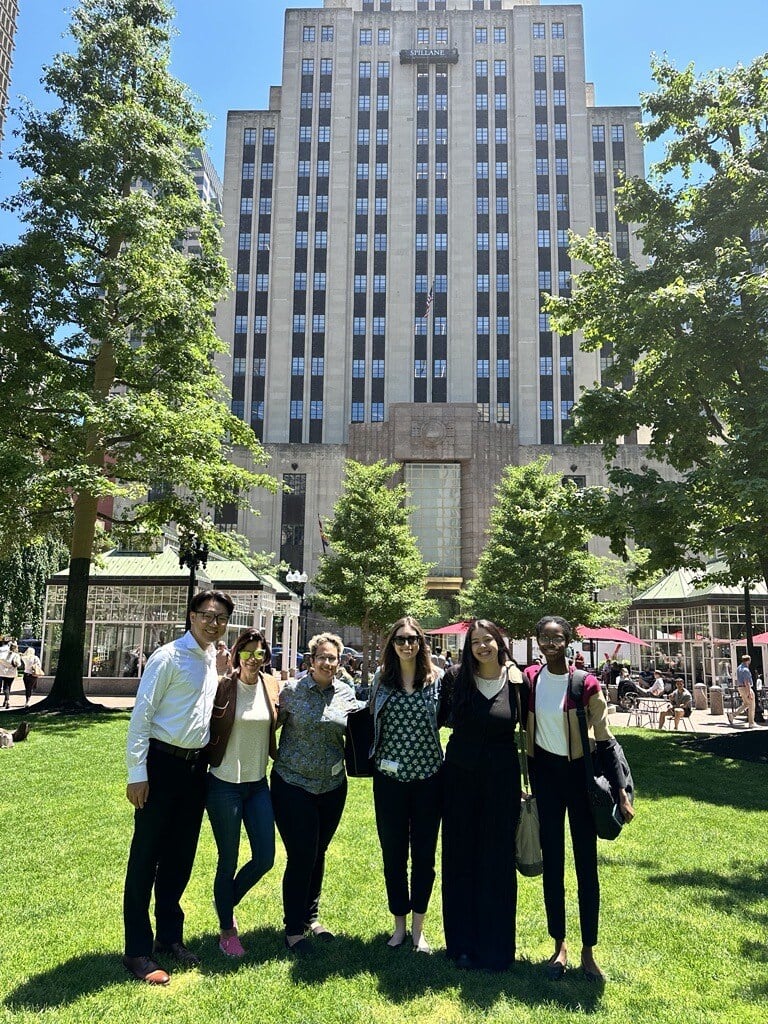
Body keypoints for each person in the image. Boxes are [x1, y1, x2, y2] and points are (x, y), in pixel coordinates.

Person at [122, 589, 235, 986]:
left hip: (194, 771)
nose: (213, 622)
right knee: (145, 858)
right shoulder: (167, 657)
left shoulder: (210, 661)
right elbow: (142, 715)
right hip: (160, 764)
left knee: (180, 857)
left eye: (220, 617)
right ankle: (137, 950)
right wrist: (138, 772)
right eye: (207, 614)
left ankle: (170, 937)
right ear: (191, 616)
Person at [523, 616, 634, 983]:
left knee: (587, 866)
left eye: (556, 638)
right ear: (537, 641)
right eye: (544, 637)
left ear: (568, 641)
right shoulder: (531, 680)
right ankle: (559, 945)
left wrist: (621, 790)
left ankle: (588, 950)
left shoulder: (584, 683)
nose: (550, 643)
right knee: (552, 863)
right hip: (546, 781)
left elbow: (604, 737)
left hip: (580, 780)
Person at [439, 618, 523, 971]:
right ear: (468, 646)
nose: (482, 646)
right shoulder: (455, 678)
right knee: (460, 858)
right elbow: (440, 716)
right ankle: (461, 945)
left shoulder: (517, 680)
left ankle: (496, 949)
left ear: (499, 642)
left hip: (502, 780)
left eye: (488, 639)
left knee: (498, 860)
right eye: (475, 641)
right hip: (460, 777)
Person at [270, 632, 360, 953]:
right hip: (293, 784)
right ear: (311, 660)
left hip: (333, 788)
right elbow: (267, 727)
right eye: (321, 656)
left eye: (332, 658)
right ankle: (293, 928)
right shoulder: (292, 692)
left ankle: (311, 918)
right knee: (302, 854)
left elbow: (364, 726)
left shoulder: (347, 695)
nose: (327, 662)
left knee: (318, 852)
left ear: (339, 662)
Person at [369, 616, 443, 953]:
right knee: (393, 853)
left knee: (424, 856)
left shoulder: (437, 681)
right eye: (400, 639)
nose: (407, 644)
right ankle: (398, 924)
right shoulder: (381, 682)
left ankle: (418, 928)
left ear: (421, 643)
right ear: (392, 644)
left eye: (413, 638)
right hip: (389, 781)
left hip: (429, 779)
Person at [205, 628, 280, 957]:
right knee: (228, 859)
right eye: (247, 652)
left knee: (265, 857)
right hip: (223, 785)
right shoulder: (222, 687)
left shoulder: (271, 686)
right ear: (237, 655)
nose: (253, 658)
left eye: (259, 653)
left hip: (257, 783)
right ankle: (227, 931)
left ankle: (226, 899)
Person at [728, 654, 756, 728]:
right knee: (751, 706)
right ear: (748, 660)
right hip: (746, 688)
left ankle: (733, 715)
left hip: (740, 688)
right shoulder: (746, 670)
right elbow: (747, 682)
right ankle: (751, 723)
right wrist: (749, 692)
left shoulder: (739, 668)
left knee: (746, 704)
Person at [0, 639, 22, 709]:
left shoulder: (3, 654)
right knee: (8, 687)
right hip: (11, 673)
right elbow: (18, 664)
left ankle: (6, 701)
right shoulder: (16, 655)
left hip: (2, 672)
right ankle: (6, 700)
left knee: (4, 687)